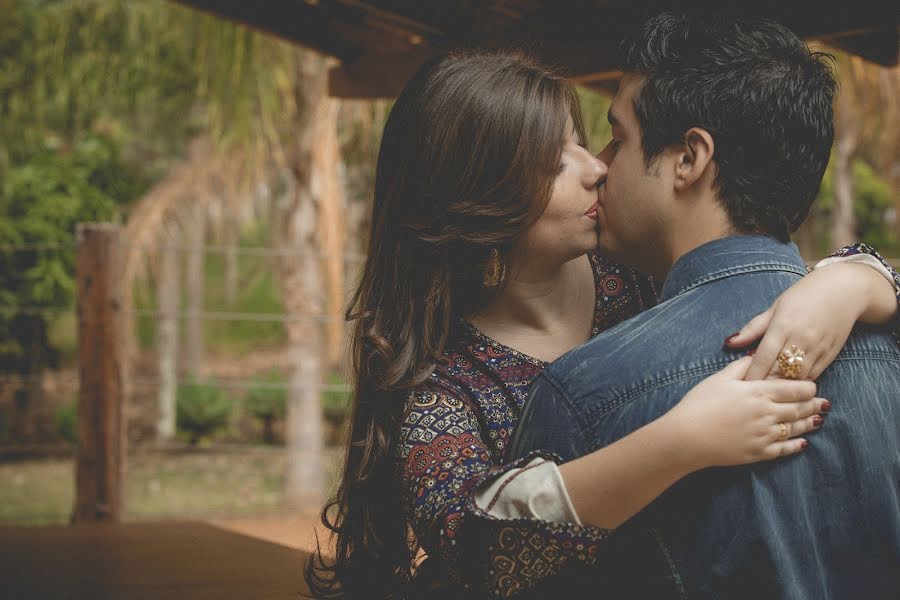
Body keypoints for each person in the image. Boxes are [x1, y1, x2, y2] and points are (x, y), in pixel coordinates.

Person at [305, 49, 900, 599]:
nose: (596, 168)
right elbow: (474, 541)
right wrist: (679, 443)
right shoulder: (445, 385)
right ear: (477, 196)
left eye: (585, 141)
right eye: (552, 161)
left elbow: (746, 278)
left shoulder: (637, 275)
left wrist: (854, 280)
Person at [509, 13, 900, 599]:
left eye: (618, 137)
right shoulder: (885, 346)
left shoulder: (586, 394)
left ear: (689, 159)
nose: (601, 164)